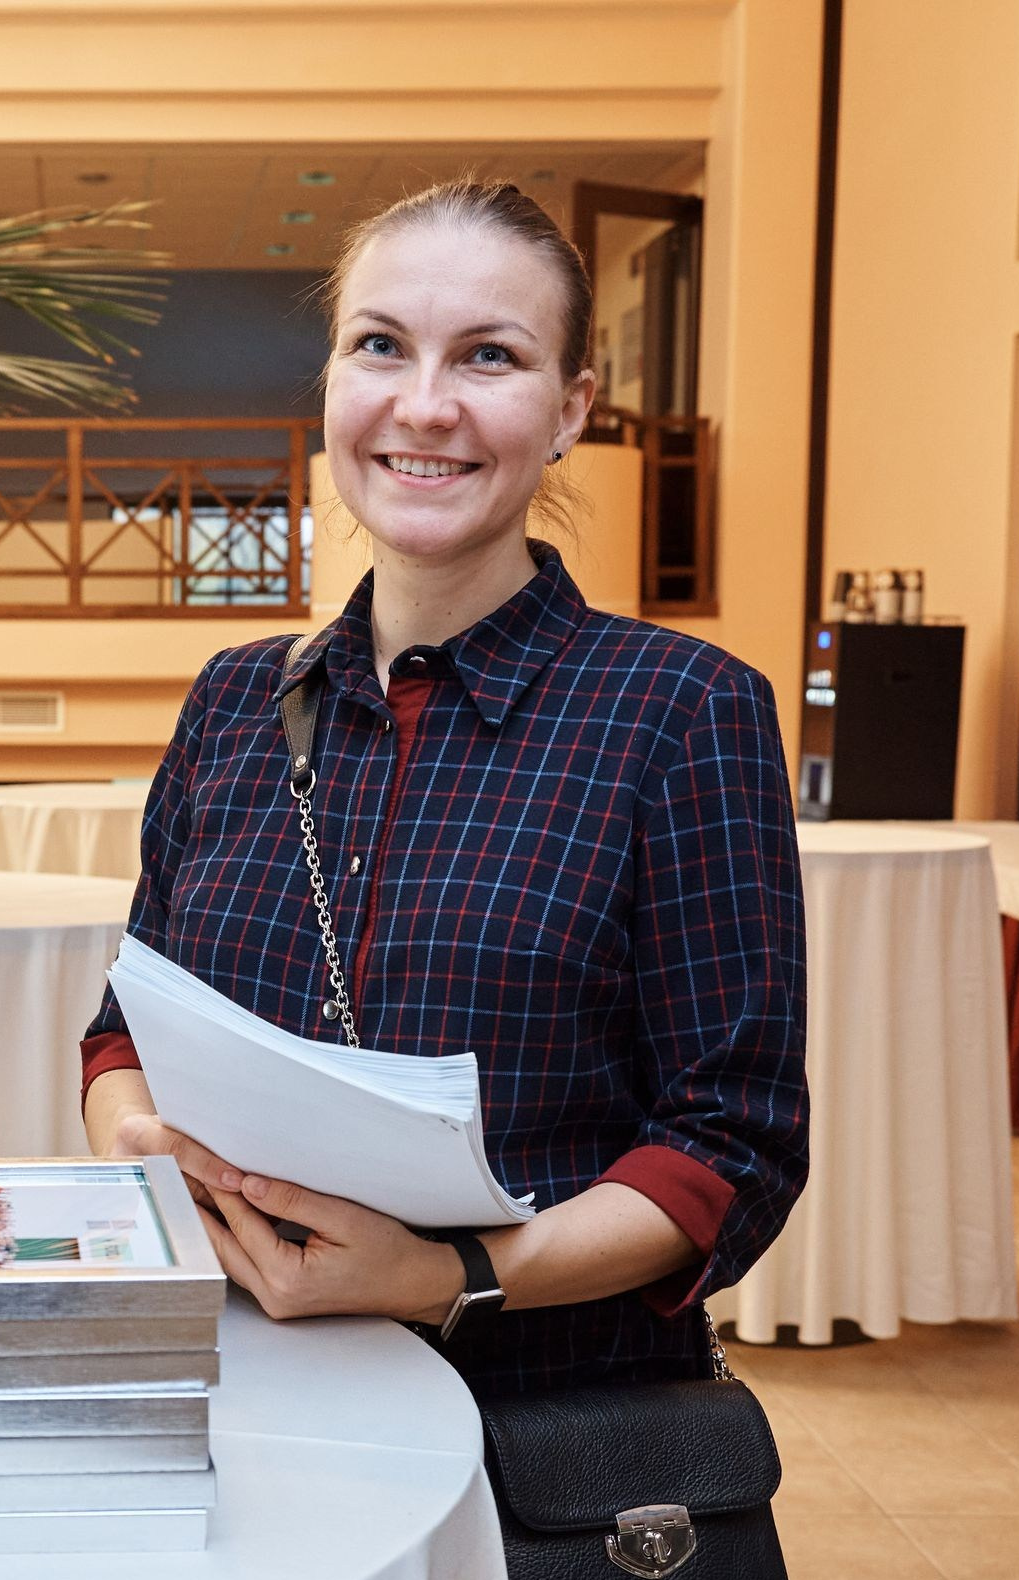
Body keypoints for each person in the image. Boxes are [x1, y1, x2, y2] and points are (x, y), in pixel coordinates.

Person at [80, 180, 809, 1397]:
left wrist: (443, 1274)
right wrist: (139, 1146)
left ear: (570, 407)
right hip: (236, 1387)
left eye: (489, 357)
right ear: (330, 381)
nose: (423, 407)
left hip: (530, 1428)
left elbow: (727, 1151)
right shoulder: (232, 700)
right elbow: (124, 1029)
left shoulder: (683, 711)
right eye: (380, 346)